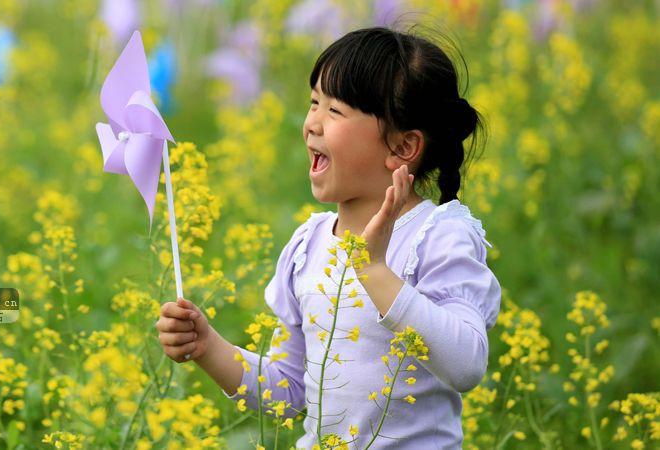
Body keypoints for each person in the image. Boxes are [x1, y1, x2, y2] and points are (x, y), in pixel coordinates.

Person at [156, 27, 502, 448]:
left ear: (403, 146)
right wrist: (207, 345)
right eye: (313, 103)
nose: (311, 124)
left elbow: (467, 364)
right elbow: (290, 388)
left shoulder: (438, 236)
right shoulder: (309, 244)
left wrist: (375, 271)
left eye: (335, 111)